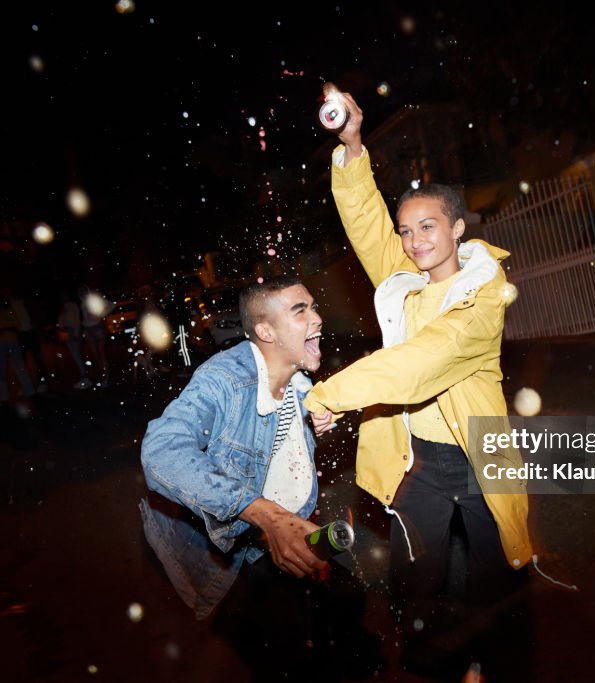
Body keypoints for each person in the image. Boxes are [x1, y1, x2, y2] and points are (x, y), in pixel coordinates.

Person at [302, 92, 541, 678]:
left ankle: (494, 665)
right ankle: (438, 665)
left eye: (427, 226)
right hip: (417, 462)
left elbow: (421, 363)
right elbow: (368, 226)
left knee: (497, 578)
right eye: (407, 231)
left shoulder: (483, 293)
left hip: (479, 456)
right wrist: (353, 147)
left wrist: (329, 393)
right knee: (416, 582)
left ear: (458, 228)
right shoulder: (404, 282)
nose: (413, 242)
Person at [140, 275, 376, 680]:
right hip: (222, 551)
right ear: (265, 330)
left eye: (314, 306)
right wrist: (268, 517)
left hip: (269, 537)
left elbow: (281, 462)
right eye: (300, 311)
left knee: (347, 602)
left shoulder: (300, 384)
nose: (317, 318)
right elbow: (160, 451)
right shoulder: (226, 380)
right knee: (284, 653)